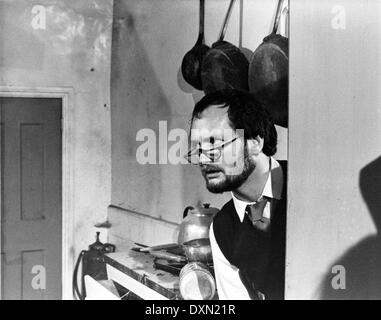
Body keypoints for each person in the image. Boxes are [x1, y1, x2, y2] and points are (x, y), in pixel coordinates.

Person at [187, 89, 287, 300]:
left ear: (255, 142)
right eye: (198, 148)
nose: (204, 160)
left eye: (215, 143)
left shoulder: (311, 188)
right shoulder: (222, 229)